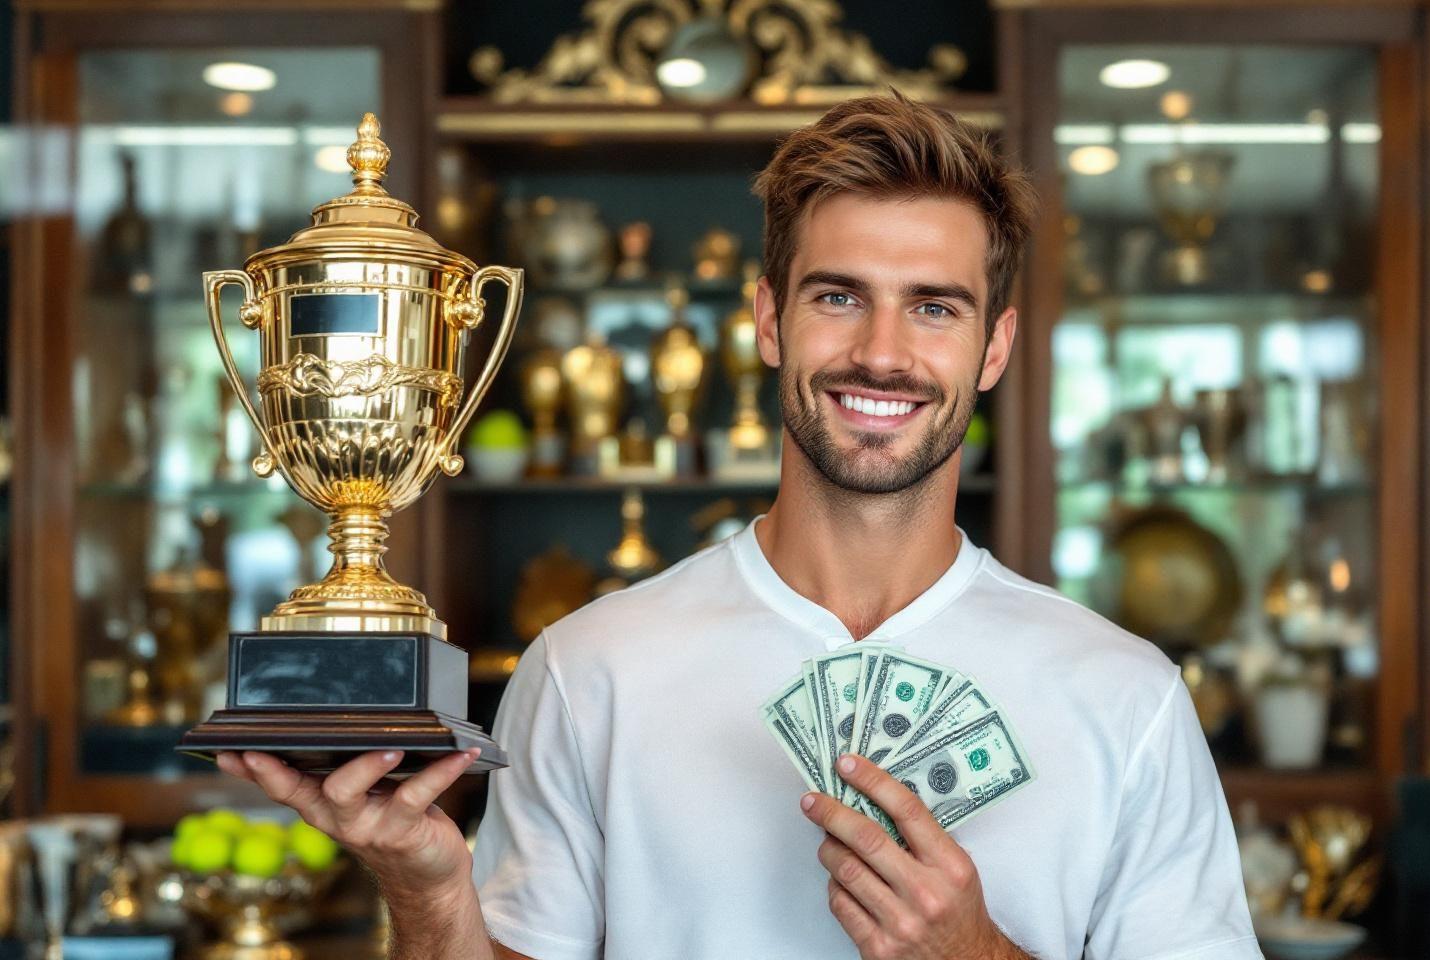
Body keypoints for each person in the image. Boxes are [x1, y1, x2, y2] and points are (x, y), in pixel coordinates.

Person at [218, 92, 1261, 960]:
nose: (882, 353)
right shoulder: (587, 670)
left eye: (935, 307)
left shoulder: (1127, 699)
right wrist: (429, 892)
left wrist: (977, 955)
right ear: (768, 321)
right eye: (838, 297)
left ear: (995, 349)